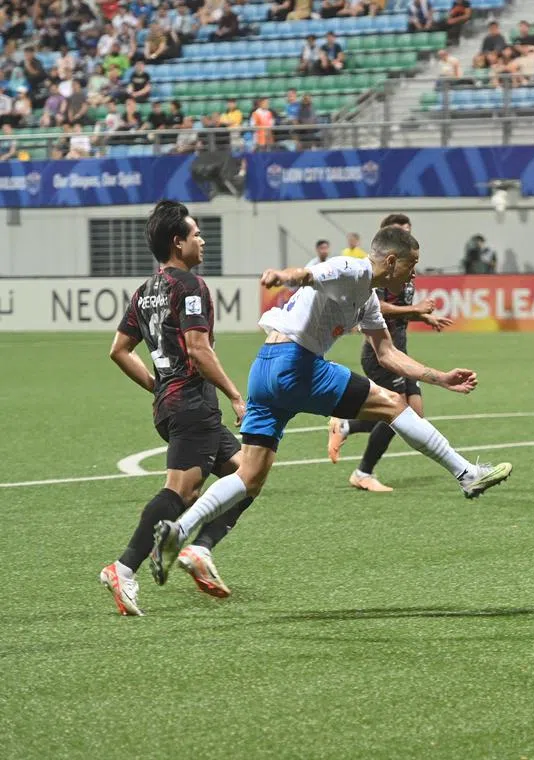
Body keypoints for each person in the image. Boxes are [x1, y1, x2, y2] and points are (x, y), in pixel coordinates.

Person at [149, 226, 513, 583]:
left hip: (264, 370)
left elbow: (387, 353)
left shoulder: (368, 300)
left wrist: (440, 378)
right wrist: (281, 276)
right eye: (411, 264)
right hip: (295, 364)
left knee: (249, 477)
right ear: (391, 261)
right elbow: (305, 275)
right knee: (392, 403)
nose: (414, 273)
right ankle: (466, 474)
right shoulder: (351, 268)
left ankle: (178, 531)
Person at [101, 201, 255, 615]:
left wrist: (156, 385)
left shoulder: (145, 291)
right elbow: (199, 349)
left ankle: (200, 549)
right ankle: (123, 569)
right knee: (180, 491)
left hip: (174, 404)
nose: (202, 240)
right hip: (192, 403)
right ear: (177, 242)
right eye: (196, 234)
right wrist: (235, 395)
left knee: (248, 476)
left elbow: (119, 350)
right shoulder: (189, 285)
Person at [327, 213, 454, 492]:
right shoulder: (380, 271)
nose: (406, 236)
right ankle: (363, 473)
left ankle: (347, 426)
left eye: (408, 230)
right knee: (398, 412)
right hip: (381, 351)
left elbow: (400, 311)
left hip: (399, 347)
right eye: (400, 231)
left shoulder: (407, 268)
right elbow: (377, 308)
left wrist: (423, 317)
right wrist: (415, 309)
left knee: (414, 415)